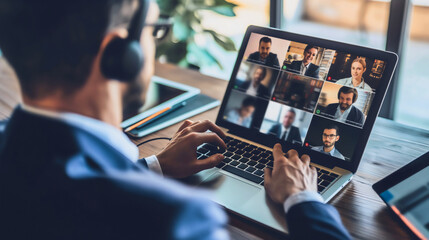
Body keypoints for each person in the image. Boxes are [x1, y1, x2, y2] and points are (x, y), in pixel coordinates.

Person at [0, 0, 351, 239]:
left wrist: (153, 167)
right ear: (121, 54)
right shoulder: (176, 221)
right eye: (153, 31)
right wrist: (304, 200)